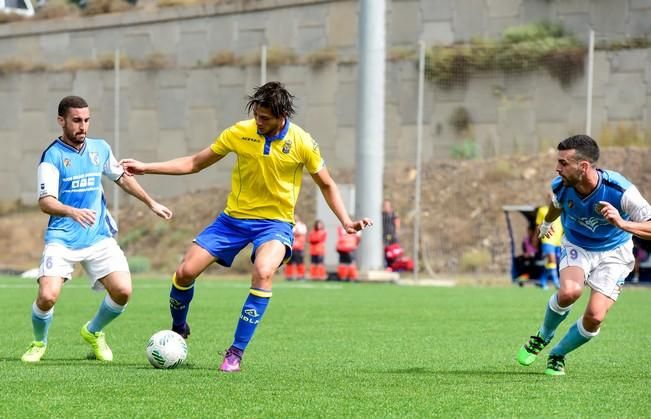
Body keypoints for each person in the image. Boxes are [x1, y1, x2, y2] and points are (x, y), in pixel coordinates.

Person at [119, 81, 372, 372]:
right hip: (232, 220)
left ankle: (235, 353)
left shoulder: (302, 142)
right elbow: (194, 162)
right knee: (185, 272)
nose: (258, 122)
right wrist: (146, 167)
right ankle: (179, 327)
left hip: (275, 224)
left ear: (282, 116)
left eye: (265, 118)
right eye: (256, 115)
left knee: (263, 272)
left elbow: (326, 184)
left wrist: (346, 221)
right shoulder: (239, 132)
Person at [21, 95, 173, 363]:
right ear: (62, 121)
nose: (83, 126)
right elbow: (45, 202)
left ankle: (93, 332)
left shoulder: (100, 148)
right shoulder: (52, 156)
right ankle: (38, 343)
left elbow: (122, 178)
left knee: (123, 292)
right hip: (63, 239)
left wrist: (151, 203)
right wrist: (71, 211)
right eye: (76, 120)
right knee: (47, 296)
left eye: (87, 120)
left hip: (98, 236)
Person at [516, 135, 651, 376]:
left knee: (595, 317)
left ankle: (558, 354)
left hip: (615, 253)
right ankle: (542, 336)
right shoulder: (561, 184)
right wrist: (547, 224)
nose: (558, 168)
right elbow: (557, 204)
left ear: (584, 166)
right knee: (569, 292)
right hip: (577, 245)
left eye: (564, 163)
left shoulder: (621, 191)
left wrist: (621, 223)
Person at [535, 192, 563, 289]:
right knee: (552, 259)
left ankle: (542, 281)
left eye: (552, 197)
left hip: (558, 241)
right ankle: (556, 283)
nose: (550, 199)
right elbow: (538, 226)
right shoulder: (542, 210)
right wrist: (535, 239)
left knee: (552, 262)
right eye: (549, 197)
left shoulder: (560, 209)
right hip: (547, 239)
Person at [285, 213, 307, 281]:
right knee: (289, 262)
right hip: (291, 246)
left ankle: (301, 276)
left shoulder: (302, 225)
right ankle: (289, 276)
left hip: (299, 248)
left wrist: (295, 231)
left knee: (299, 262)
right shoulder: (289, 225)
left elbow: (301, 232)